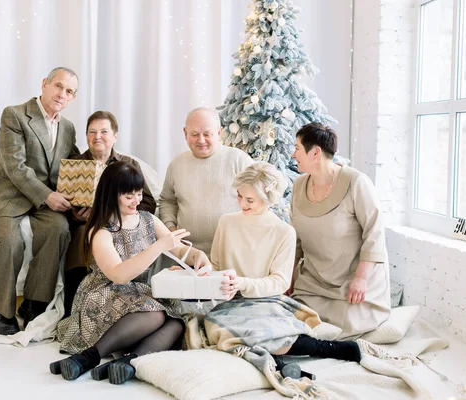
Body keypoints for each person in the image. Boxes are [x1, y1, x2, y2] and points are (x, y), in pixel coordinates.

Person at [51, 161, 210, 384]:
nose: (136, 200)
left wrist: (196, 256)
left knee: (176, 323)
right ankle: (90, 356)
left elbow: (177, 247)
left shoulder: (147, 219)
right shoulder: (101, 231)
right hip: (105, 294)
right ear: (112, 195)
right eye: (129, 196)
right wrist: (158, 246)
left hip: (137, 295)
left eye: (138, 194)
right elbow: (118, 275)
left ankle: (128, 364)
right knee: (155, 314)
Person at [210, 162, 361, 381]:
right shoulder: (226, 222)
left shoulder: (283, 232)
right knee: (221, 333)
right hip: (228, 302)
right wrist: (205, 272)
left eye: (250, 200)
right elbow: (216, 265)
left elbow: (280, 282)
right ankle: (279, 366)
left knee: (260, 332)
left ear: (268, 198)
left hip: (266, 301)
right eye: (240, 196)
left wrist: (243, 283)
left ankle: (324, 348)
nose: (242, 203)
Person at [0, 67, 80, 335]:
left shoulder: (68, 128)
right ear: (44, 85)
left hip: (44, 202)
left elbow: (74, 164)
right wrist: (48, 196)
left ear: (73, 98)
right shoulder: (14, 115)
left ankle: (33, 303)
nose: (62, 94)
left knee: (59, 230)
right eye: (58, 86)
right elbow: (15, 167)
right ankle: (3, 311)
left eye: (69, 91)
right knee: (10, 242)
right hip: (10, 195)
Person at [290, 122, 391, 340]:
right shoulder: (299, 186)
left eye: (297, 148)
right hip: (313, 282)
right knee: (294, 320)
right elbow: (295, 239)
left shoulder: (357, 183)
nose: (293, 154)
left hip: (351, 283)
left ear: (315, 152)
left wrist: (361, 279)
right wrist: (289, 276)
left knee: (339, 330)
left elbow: (375, 233)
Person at [64, 111, 156, 315]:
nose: (97, 136)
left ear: (115, 136)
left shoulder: (129, 165)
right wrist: (76, 215)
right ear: (86, 136)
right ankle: (73, 307)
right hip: (86, 226)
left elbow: (148, 202)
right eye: (92, 132)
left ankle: (128, 302)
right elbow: (63, 204)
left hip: (122, 224)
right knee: (81, 235)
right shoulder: (74, 165)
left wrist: (119, 213)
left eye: (104, 131)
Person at [159, 107, 253, 255]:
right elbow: (167, 201)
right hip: (187, 254)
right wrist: (171, 229)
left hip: (233, 252)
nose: (201, 140)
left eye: (207, 134)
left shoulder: (238, 160)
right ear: (185, 133)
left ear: (219, 132)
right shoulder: (176, 165)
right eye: (195, 134)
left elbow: (258, 202)